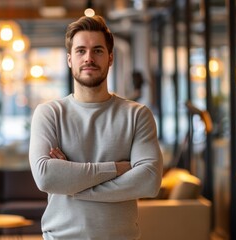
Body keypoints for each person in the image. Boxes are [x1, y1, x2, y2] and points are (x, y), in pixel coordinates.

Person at [29, 15, 163, 239]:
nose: (89, 58)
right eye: (81, 51)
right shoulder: (49, 113)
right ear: (70, 59)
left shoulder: (137, 115)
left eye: (98, 50)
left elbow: (149, 180)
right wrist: (118, 169)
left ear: (110, 58)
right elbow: (45, 177)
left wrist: (74, 185)